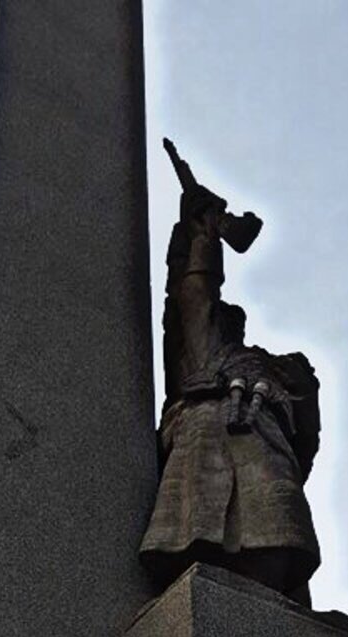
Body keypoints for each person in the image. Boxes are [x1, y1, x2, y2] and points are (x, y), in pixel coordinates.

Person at [138, 141, 321, 604]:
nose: (226, 321)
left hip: (265, 436)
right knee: (201, 528)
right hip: (206, 425)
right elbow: (195, 291)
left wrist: (296, 388)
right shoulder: (201, 346)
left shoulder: (271, 367)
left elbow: (306, 434)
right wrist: (204, 234)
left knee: (279, 527)